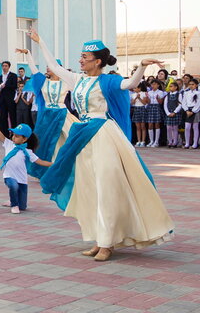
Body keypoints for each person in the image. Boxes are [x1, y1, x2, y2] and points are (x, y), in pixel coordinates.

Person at [30, 31, 174, 261]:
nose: (80, 60)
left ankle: (107, 243)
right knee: (90, 190)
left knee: (107, 188)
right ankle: (99, 240)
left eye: (84, 57)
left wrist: (141, 66)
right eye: (81, 56)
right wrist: (40, 42)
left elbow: (130, 83)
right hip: (82, 136)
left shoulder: (108, 81)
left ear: (97, 61)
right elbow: (54, 67)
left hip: (103, 134)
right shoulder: (76, 79)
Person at [16, 48, 72, 180]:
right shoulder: (43, 82)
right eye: (47, 66)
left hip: (62, 115)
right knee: (43, 142)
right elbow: (33, 68)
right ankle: (45, 169)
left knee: (63, 142)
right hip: (47, 116)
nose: (47, 68)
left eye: (50, 66)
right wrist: (28, 54)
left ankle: (62, 169)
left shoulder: (67, 83)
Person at [0, 112, 52, 213]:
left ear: (24, 139)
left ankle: (13, 201)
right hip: (9, 176)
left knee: (23, 206)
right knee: (13, 186)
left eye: (16, 136)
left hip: (22, 179)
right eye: (13, 135)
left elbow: (40, 161)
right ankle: (14, 205)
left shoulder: (27, 151)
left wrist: (54, 164)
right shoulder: (8, 144)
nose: (13, 137)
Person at [0, 61, 19, 133]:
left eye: (6, 66)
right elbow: (0, 87)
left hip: (10, 98)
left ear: (9, 67)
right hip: (3, 98)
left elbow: (14, 86)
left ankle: (14, 132)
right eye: (3, 66)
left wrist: (6, 85)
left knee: (12, 115)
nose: (4, 67)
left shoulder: (13, 75)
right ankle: (4, 133)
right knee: (3, 116)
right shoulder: (0, 77)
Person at [145, 78, 167, 147]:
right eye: (152, 84)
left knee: (157, 124)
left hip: (157, 107)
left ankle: (156, 141)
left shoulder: (160, 92)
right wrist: (147, 98)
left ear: (158, 85)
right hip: (150, 107)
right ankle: (151, 141)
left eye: (155, 84)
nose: (153, 86)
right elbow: (148, 102)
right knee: (150, 124)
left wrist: (157, 98)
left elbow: (160, 102)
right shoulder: (149, 92)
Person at [182, 78, 200, 149]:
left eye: (193, 84)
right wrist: (186, 110)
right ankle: (187, 143)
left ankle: (195, 143)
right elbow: (184, 103)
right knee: (187, 127)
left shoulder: (198, 93)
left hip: (195, 111)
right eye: (190, 84)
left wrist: (193, 111)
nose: (191, 86)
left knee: (195, 127)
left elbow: (198, 103)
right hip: (188, 110)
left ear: (196, 85)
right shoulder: (186, 93)